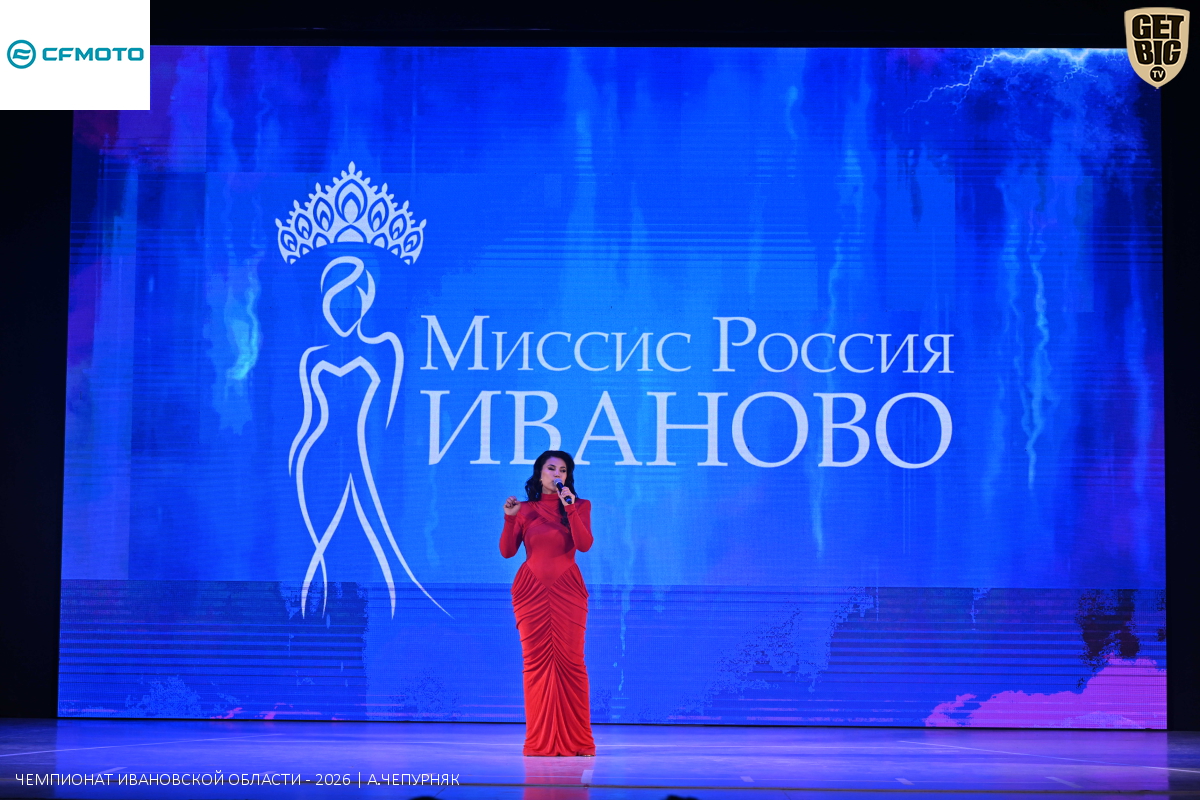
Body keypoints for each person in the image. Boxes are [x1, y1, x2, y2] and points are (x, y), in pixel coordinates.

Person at [500, 450, 596, 757]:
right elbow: (507, 552)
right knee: (535, 664)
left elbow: (584, 545)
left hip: (568, 590)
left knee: (572, 663)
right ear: (539, 473)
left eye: (563, 470)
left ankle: (579, 741)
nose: (557, 474)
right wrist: (509, 519)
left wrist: (570, 509)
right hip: (531, 592)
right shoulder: (524, 509)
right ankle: (538, 740)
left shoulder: (580, 505)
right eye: (551, 468)